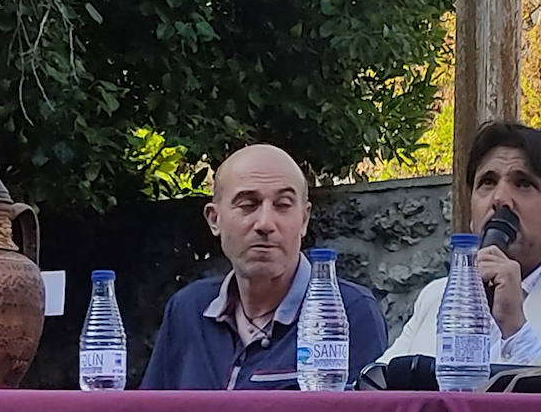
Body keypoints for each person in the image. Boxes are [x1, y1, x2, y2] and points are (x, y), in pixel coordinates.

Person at [381, 122, 541, 396]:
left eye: (523, 184)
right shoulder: (436, 296)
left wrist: (516, 329)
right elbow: (375, 386)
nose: (500, 199)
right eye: (488, 182)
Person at [142, 143, 387, 389]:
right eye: (248, 205)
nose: (265, 223)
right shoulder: (189, 310)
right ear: (214, 219)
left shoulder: (347, 311)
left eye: (283, 205)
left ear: (304, 219)